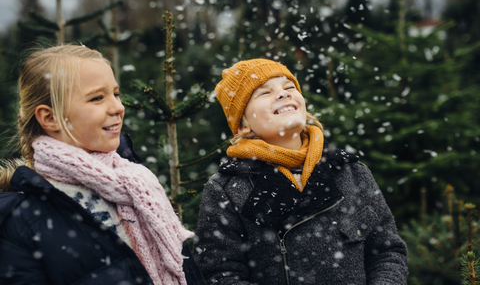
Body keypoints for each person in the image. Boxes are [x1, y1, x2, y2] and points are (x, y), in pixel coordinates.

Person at [0, 45, 204, 285]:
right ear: (50, 118)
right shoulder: (20, 222)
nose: (118, 107)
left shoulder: (137, 185)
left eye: (116, 94)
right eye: (97, 98)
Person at [193, 58, 408, 284]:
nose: (283, 94)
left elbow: (387, 253)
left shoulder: (350, 172)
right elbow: (220, 274)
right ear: (243, 123)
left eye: (289, 87)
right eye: (264, 92)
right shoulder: (228, 188)